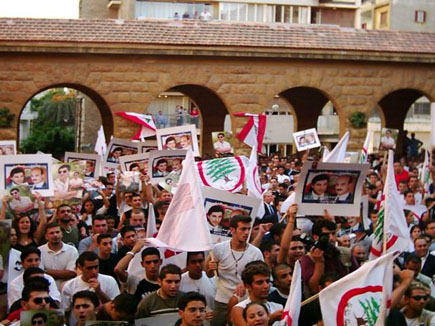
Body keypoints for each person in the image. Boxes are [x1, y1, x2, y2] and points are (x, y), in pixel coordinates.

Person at [206, 215, 264, 326]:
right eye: (243, 229)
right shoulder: (219, 249)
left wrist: (245, 282)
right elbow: (208, 274)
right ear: (232, 230)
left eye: (248, 229)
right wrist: (211, 268)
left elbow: (261, 275)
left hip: (246, 302)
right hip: (222, 301)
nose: (246, 232)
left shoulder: (255, 253)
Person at [231, 262, 283, 326]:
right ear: (248, 286)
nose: (266, 286)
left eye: (267, 281)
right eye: (260, 282)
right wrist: (271, 319)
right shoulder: (239, 309)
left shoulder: (278, 307)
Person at [38, 222, 78, 287]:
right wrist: (63, 273)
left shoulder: (72, 250)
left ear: (62, 234)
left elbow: (72, 273)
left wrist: (46, 271)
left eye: (57, 232)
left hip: (67, 288)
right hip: (46, 288)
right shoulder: (39, 251)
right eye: (51, 233)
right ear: (46, 236)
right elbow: (40, 274)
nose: (55, 235)